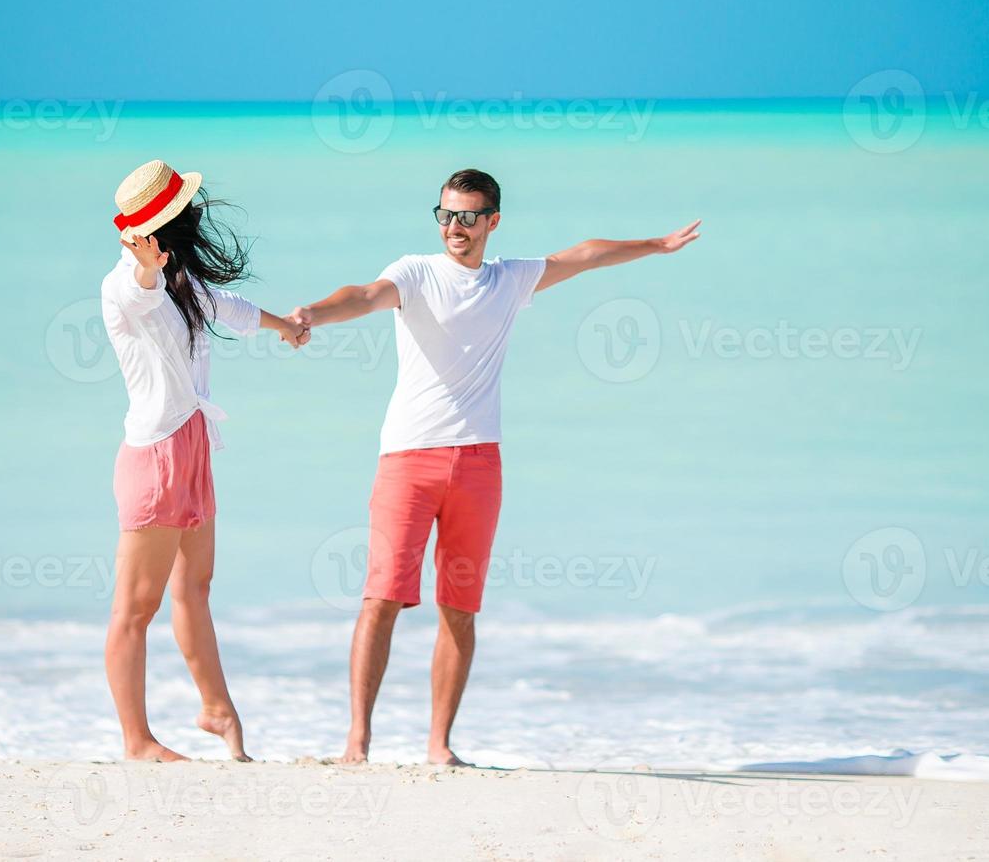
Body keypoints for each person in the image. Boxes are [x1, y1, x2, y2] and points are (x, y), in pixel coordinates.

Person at [291, 168, 700, 765]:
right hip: (408, 458)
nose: (455, 228)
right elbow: (363, 295)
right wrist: (314, 314)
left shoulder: (510, 280)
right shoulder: (415, 272)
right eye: (446, 215)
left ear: (492, 222)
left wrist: (656, 246)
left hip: (480, 463)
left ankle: (440, 746)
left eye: (467, 217)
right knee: (381, 596)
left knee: (459, 605)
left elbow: (584, 255)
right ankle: (357, 743)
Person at [101, 159, 308, 762]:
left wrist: (284, 327)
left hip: (192, 445)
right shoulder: (126, 284)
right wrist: (145, 271)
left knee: (195, 586)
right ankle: (137, 742)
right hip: (157, 455)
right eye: (182, 215)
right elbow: (139, 300)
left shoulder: (180, 279)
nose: (193, 220)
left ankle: (216, 710)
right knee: (135, 608)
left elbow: (228, 308)